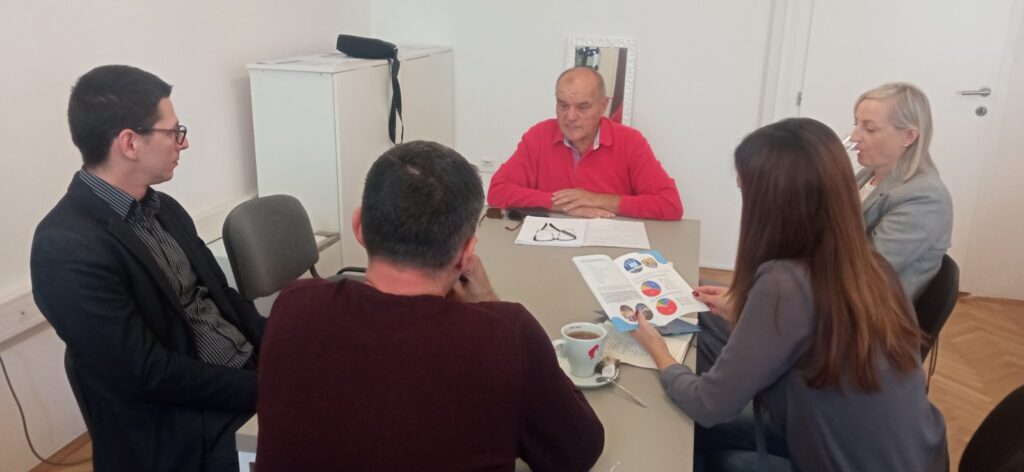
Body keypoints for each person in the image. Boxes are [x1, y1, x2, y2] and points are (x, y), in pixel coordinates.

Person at [256, 141, 604, 471]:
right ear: (466, 254)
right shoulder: (507, 337)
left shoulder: (293, 309)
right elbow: (576, 453)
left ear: (359, 227)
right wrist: (488, 303)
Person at [632, 118, 948, 471]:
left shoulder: (785, 284)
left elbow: (708, 405)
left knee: (687, 429)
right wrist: (748, 313)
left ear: (773, 205)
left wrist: (660, 354)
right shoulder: (873, 266)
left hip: (844, 460)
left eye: (746, 192)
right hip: (913, 457)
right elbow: (812, 334)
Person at [30, 65, 266, 471]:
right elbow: (149, 373)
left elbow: (224, 297)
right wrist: (267, 388)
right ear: (130, 143)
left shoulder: (164, 208)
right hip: (185, 425)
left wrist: (283, 348)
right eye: (174, 132)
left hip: (241, 376)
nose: (183, 142)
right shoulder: (65, 246)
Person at [487, 67, 683, 220]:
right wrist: (561, 204)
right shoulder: (539, 135)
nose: (570, 116)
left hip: (610, 243)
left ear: (603, 106)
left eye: (582, 107)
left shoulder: (630, 141)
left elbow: (670, 204)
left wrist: (596, 199)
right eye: (563, 105)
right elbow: (497, 191)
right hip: (551, 242)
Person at [850, 82, 953, 301]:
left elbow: (868, 268)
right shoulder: (867, 174)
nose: (855, 136)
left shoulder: (925, 197)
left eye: (870, 129)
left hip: (874, 308)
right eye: (856, 124)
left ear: (908, 136)